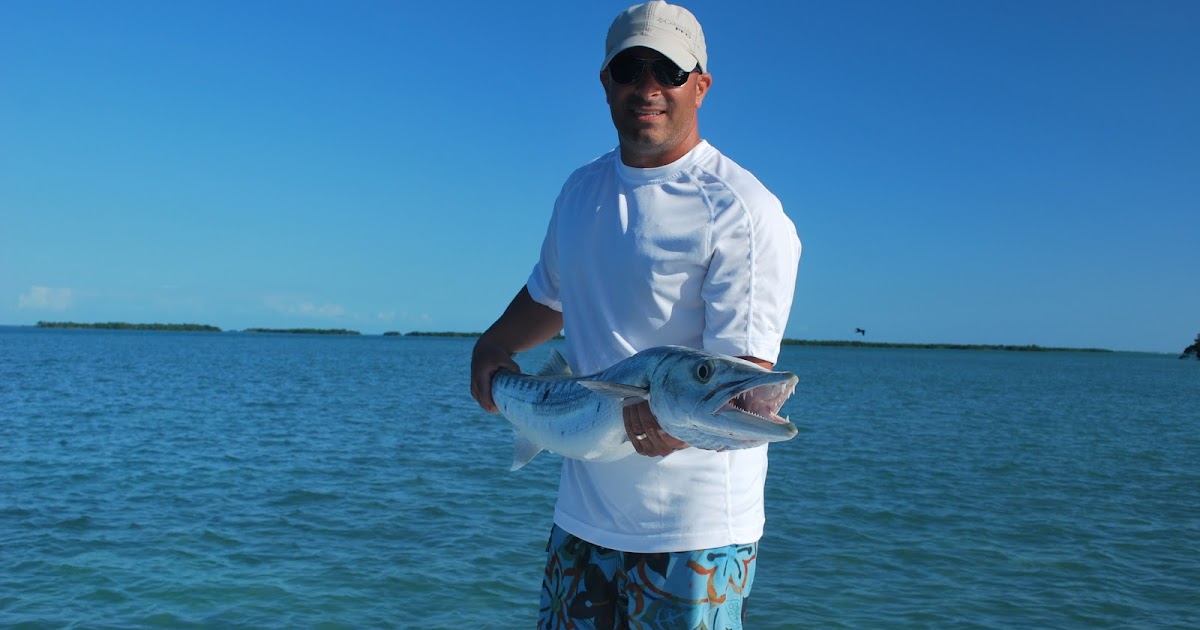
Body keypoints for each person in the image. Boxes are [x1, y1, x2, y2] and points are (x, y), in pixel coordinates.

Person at [469, 2, 801, 627]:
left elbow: (737, 378)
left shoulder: (743, 211)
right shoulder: (580, 191)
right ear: (606, 82)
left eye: (669, 72)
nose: (648, 87)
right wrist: (492, 347)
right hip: (581, 519)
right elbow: (548, 295)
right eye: (630, 69)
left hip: (694, 536)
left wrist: (669, 421)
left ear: (700, 85)